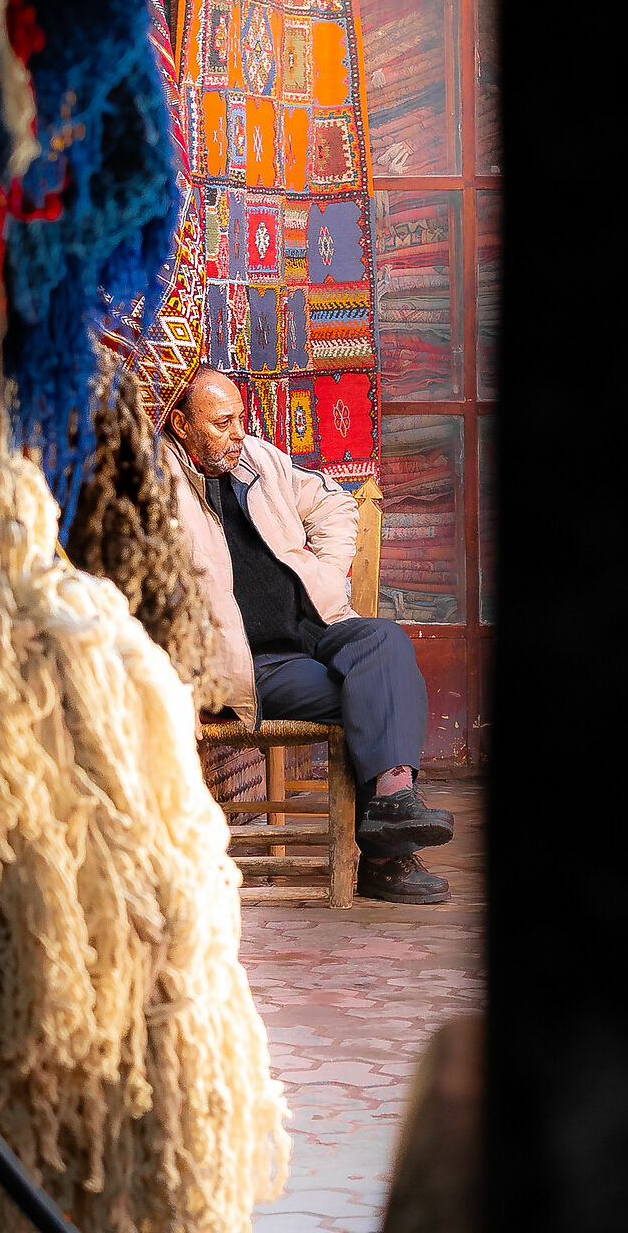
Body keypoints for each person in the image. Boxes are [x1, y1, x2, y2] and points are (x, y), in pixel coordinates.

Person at [165, 367, 454, 903]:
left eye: (240, 419)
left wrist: (323, 569)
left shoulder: (258, 459)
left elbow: (336, 503)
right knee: (370, 698)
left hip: (315, 628)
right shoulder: (157, 486)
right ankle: (387, 861)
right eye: (222, 423)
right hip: (254, 663)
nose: (237, 434)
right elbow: (136, 584)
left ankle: (394, 801)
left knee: (385, 641)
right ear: (182, 424)